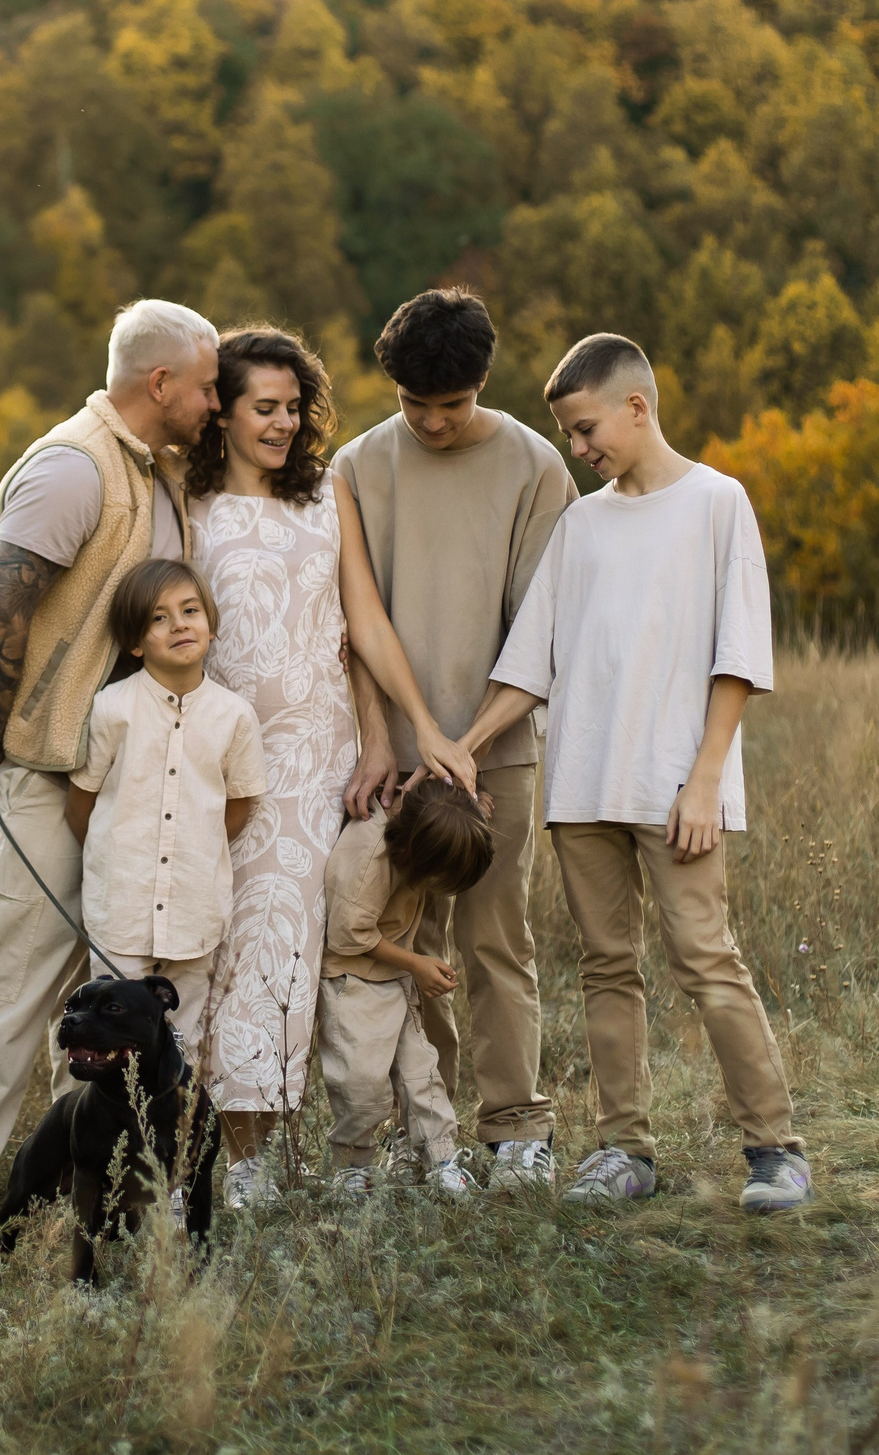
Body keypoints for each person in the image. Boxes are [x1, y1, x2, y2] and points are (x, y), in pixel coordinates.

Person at [455, 331, 811, 1213]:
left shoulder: (718, 504)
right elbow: (528, 662)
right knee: (606, 968)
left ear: (636, 406)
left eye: (584, 430)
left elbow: (739, 658)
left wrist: (704, 780)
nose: (578, 450)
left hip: (676, 787)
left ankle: (775, 1149)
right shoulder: (581, 524)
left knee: (706, 958)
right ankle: (625, 1151)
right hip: (582, 791)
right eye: (570, 436)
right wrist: (463, 748)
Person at [0, 300, 220, 1247]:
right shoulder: (72, 466)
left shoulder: (157, 474)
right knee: (7, 991)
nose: (217, 401)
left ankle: (79, 1209)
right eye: (208, 384)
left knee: (103, 1001)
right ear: (160, 384)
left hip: (128, 782)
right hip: (48, 776)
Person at [182, 327, 479, 1209]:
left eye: (291, 407)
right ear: (223, 414)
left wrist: (413, 728)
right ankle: (245, 1163)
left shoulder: (329, 495)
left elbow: (367, 628)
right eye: (261, 408)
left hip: (329, 763)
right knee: (253, 952)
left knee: (331, 950)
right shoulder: (186, 505)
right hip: (236, 761)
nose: (281, 424)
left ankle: (359, 1147)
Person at [329, 289, 578, 1189]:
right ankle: (421, 1133)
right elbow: (349, 624)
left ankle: (515, 1125)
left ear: (483, 383)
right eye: (412, 404)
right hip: (387, 760)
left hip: (495, 750)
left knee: (495, 938)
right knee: (399, 942)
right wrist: (381, 739)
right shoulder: (354, 467)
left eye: (453, 404)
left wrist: (466, 741)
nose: (432, 422)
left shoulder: (537, 467)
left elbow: (544, 629)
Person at [63, 560, 266, 1043]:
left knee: (183, 1040)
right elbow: (82, 805)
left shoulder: (234, 716)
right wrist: (114, 856)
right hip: (122, 910)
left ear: (209, 626)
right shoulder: (113, 708)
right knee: (111, 1035)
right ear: (136, 643)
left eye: (190, 610)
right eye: (158, 617)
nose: (178, 624)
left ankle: (173, 1120)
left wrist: (197, 847)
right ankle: (113, 1119)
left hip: (195, 911)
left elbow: (238, 805)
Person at [317, 775, 498, 1198]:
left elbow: (450, 805)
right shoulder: (369, 861)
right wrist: (416, 963)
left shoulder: (420, 819)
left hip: (393, 974)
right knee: (360, 1080)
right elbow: (347, 935)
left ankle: (441, 1159)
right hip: (353, 980)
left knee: (422, 1072)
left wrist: (473, 808)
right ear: (415, 856)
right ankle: (352, 1164)